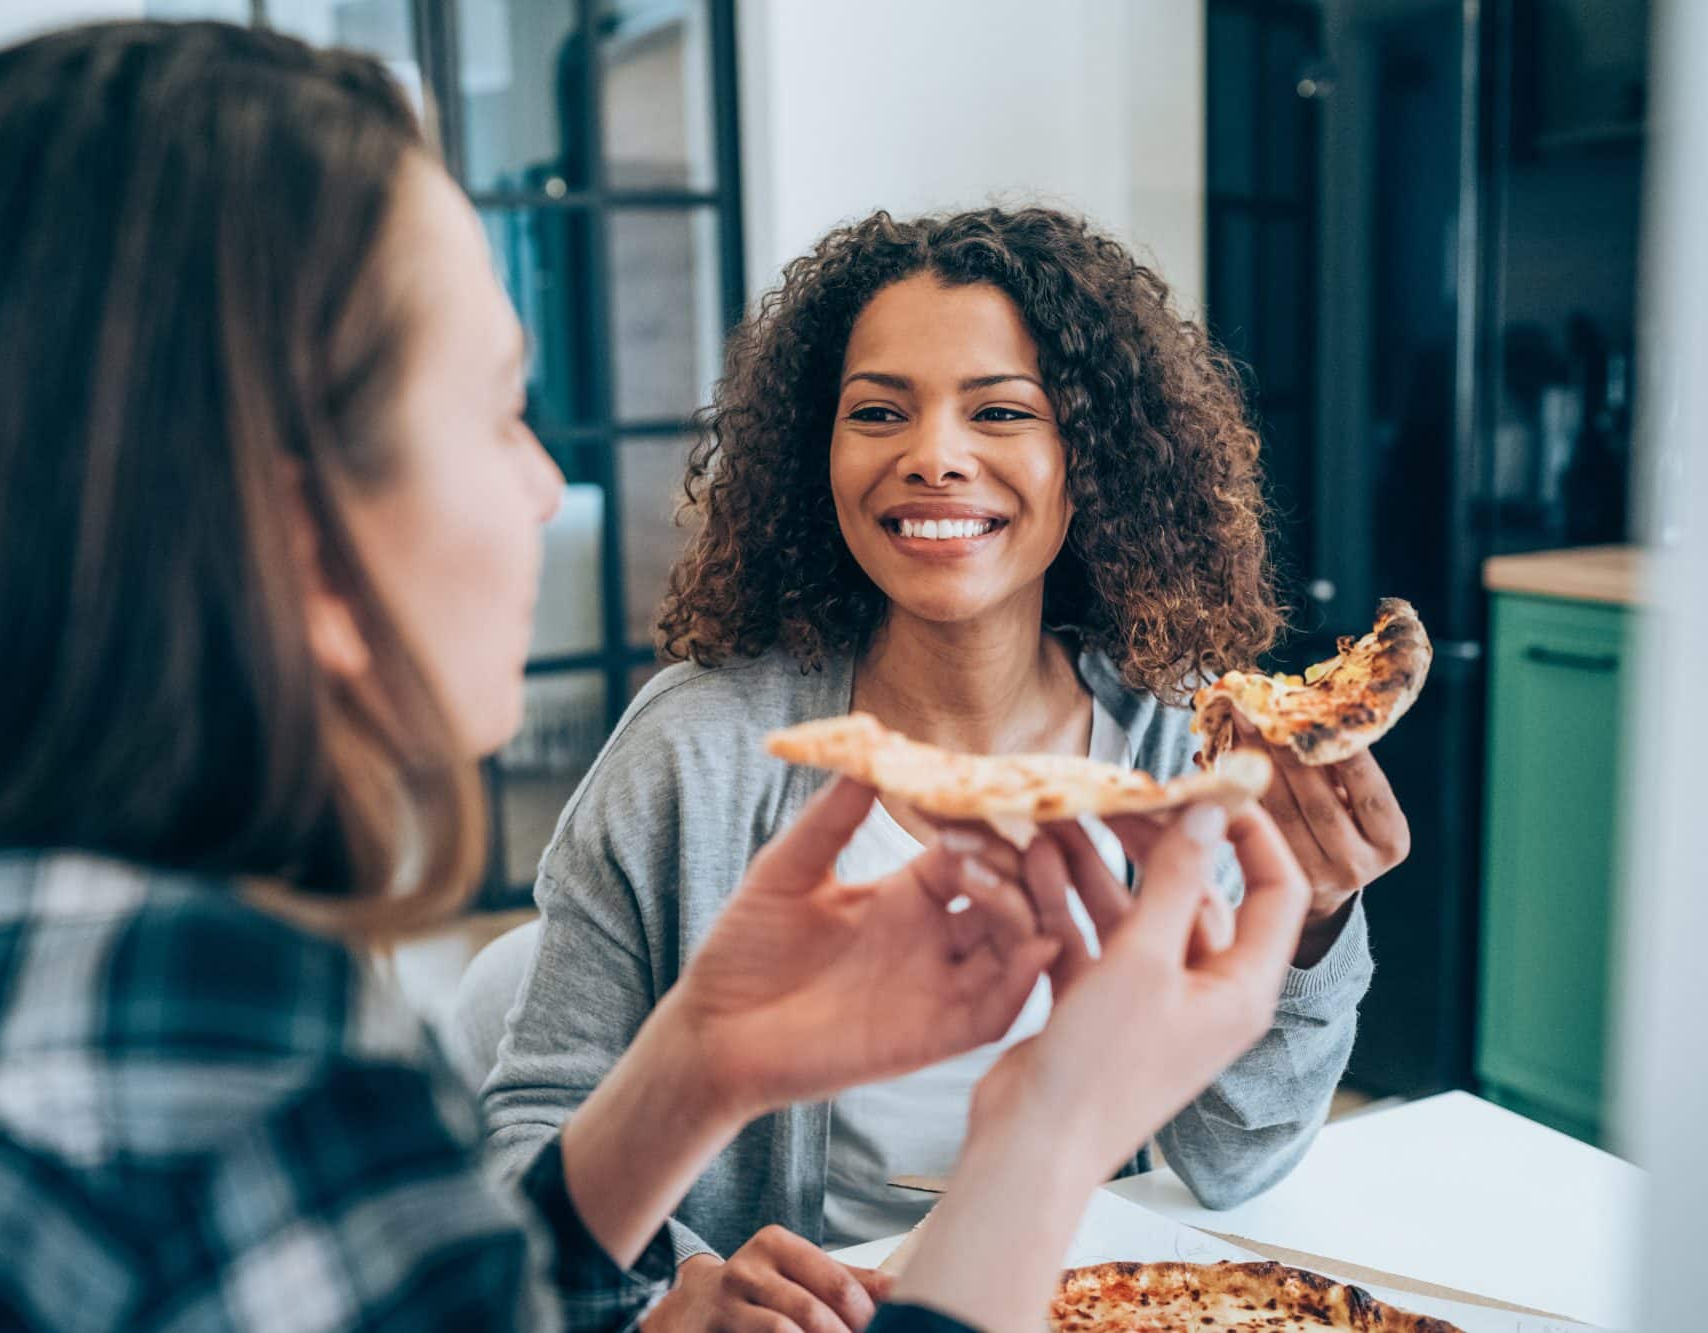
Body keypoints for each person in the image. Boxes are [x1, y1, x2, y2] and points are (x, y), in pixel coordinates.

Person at [0, 21, 1314, 1333]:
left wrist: (697, 1062)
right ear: (284, 521)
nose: (546, 487)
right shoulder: (222, 1079)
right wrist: (1041, 1130)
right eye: (495, 410)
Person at [481, 209, 1406, 1328]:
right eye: (877, 411)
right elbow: (527, 1143)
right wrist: (678, 1282)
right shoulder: (696, 750)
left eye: (1000, 411)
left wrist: (1307, 920)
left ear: (1089, 460)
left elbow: (1230, 1163)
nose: (931, 454)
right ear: (813, 456)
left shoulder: (1181, 746)